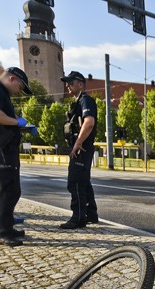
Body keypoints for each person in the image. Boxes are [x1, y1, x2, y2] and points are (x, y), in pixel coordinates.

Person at [0, 66, 35, 246]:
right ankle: (3, 233)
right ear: (12, 79)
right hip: (1, 148)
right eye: (20, 87)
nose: (20, 92)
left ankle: (8, 227)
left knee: (13, 190)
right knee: (5, 191)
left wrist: (21, 127)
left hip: (6, 147)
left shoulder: (1, 93)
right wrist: (16, 122)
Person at [60, 71, 98, 229]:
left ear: (80, 84)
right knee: (84, 182)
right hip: (82, 147)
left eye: (71, 82)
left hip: (81, 147)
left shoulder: (85, 100)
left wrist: (77, 143)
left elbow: (89, 122)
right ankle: (90, 214)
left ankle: (78, 218)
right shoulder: (78, 101)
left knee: (75, 182)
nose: (68, 85)